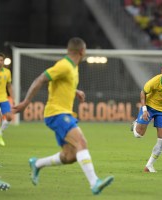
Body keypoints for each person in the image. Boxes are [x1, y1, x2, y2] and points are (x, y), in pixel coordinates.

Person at [13, 37, 114, 195]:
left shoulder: (73, 67)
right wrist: (26, 103)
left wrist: (76, 91)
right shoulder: (64, 66)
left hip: (62, 113)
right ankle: (94, 182)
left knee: (70, 156)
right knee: (81, 142)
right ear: (82, 51)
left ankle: (37, 164)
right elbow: (40, 79)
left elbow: (61, 84)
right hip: (56, 113)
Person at [0, 53, 14, 147]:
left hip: (3, 98)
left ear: (3, 62)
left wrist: (13, 98)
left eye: (1, 60)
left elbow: (9, 86)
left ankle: (0, 133)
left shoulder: (7, 72)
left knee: (10, 117)